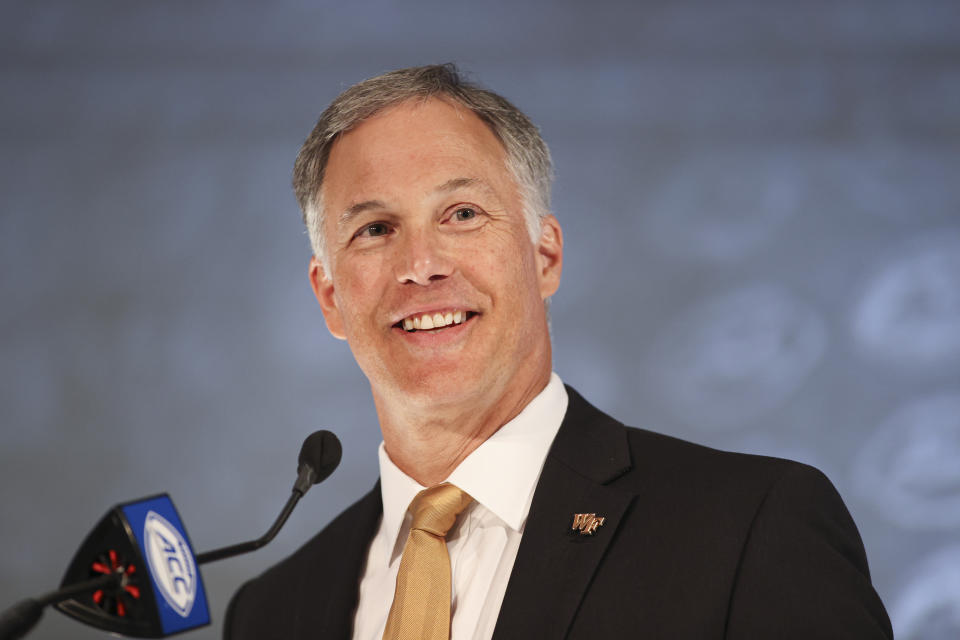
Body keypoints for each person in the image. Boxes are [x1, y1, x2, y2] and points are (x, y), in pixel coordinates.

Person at [224, 64, 892, 639]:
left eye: (461, 214)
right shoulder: (272, 612)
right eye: (376, 228)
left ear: (545, 255)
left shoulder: (749, 528)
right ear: (330, 297)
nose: (420, 265)